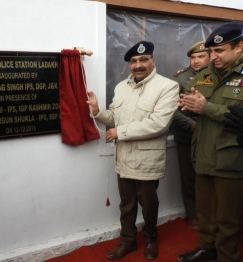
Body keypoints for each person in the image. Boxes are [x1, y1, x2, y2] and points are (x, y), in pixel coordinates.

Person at [87, 41, 179, 260]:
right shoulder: (121, 87)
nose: (138, 65)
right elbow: (113, 117)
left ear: (152, 61)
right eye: (134, 61)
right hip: (123, 159)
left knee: (149, 205)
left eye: (143, 60)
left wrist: (120, 132)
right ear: (129, 64)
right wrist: (97, 111)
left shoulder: (167, 86)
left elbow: (158, 124)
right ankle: (127, 242)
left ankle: (150, 240)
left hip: (147, 160)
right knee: (126, 205)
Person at [177, 21, 243, 262]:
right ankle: (206, 248)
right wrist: (189, 107)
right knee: (205, 210)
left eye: (219, 51)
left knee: (228, 216)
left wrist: (206, 108)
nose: (212, 57)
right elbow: (194, 100)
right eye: (211, 51)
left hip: (231, 155)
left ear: (239, 47)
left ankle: (227, 256)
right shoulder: (206, 73)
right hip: (203, 152)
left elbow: (238, 114)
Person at [171, 41, 210, 229]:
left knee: (208, 176)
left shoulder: (218, 77)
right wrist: (190, 125)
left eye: (201, 56)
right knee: (188, 177)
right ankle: (192, 214)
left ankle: (209, 212)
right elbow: (171, 109)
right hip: (187, 135)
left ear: (210, 57)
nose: (196, 61)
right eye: (193, 57)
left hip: (211, 135)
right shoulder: (180, 78)